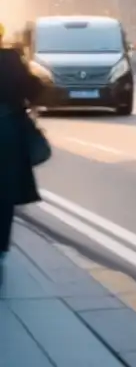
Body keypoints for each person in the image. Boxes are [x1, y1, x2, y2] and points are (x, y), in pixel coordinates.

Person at [0, 23, 45, 288]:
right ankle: (1, 251)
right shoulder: (10, 60)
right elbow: (36, 89)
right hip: (7, 133)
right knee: (4, 196)